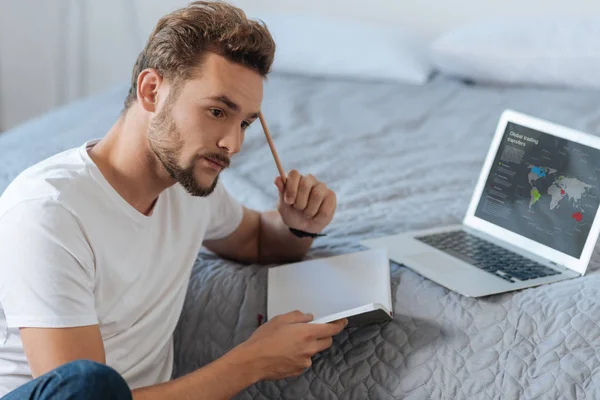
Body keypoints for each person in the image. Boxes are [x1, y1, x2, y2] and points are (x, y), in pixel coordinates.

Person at [0, 1, 347, 399]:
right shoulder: (48, 212)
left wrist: (300, 223)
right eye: (217, 111)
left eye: (245, 124)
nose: (232, 144)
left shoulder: (188, 185)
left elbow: (257, 240)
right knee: (92, 383)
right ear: (152, 91)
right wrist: (251, 362)